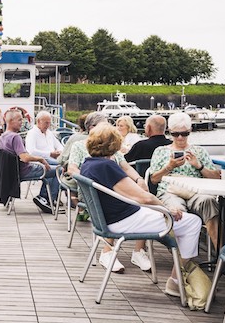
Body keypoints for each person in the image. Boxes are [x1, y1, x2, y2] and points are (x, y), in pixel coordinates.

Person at [80, 123, 202, 297]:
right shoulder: (107, 166)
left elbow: (134, 197)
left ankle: (180, 267)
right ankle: (176, 280)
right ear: (114, 146)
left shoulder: (88, 164)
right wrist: (166, 209)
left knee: (179, 221)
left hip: (110, 220)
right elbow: (144, 197)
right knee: (192, 222)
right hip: (123, 221)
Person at [67, 115, 151, 273]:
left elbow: (125, 167)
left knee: (140, 195)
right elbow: (72, 169)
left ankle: (138, 251)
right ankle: (107, 250)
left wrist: (139, 179)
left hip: (115, 186)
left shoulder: (111, 147)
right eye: (105, 127)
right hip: (93, 191)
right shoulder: (79, 146)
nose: (111, 130)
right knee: (133, 199)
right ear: (92, 129)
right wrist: (93, 182)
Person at [150, 112, 221, 249]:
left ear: (190, 131)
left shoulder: (199, 151)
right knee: (177, 212)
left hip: (195, 191)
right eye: (176, 134)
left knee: (209, 203)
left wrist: (198, 166)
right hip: (170, 191)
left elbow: (215, 177)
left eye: (184, 133)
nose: (180, 137)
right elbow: (154, 179)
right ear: (170, 133)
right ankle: (184, 260)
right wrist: (169, 167)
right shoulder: (160, 151)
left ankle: (221, 255)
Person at [0, 109, 60, 214]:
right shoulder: (15, 137)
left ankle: (45, 197)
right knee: (59, 169)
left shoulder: (3, 136)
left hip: (11, 172)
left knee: (53, 167)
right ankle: (46, 199)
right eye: (19, 120)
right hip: (25, 171)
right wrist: (41, 159)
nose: (22, 122)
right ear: (11, 121)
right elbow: (25, 157)